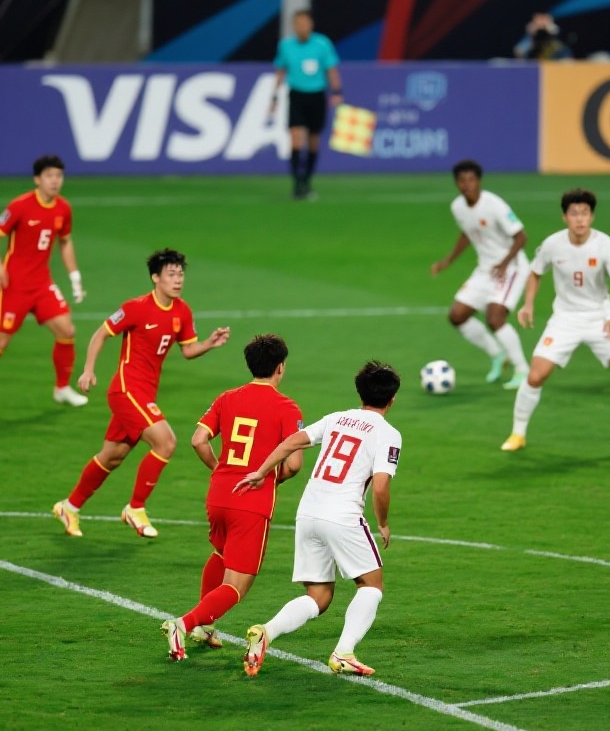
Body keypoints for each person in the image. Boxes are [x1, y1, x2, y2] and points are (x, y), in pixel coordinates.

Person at [235, 360, 402, 677]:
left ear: (360, 393)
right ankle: (344, 652)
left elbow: (291, 442)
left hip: (308, 513)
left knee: (318, 596)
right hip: (343, 516)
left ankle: (266, 632)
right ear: (392, 399)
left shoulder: (337, 418)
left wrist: (261, 471)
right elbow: (380, 486)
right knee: (371, 585)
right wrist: (382, 523)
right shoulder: (388, 434)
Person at [52, 249, 231, 538]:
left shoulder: (182, 311)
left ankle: (68, 507)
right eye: (171, 274)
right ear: (155, 278)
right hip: (126, 389)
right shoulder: (135, 308)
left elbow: (187, 350)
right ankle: (135, 508)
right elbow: (101, 334)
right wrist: (88, 370)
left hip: (145, 393)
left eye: (180, 274)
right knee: (166, 442)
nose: (178, 280)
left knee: (112, 456)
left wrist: (209, 343)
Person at [160, 334, 304, 660]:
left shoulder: (227, 398)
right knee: (237, 585)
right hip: (251, 502)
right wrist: (271, 478)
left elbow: (198, 440)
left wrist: (218, 468)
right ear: (280, 367)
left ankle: (204, 627)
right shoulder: (286, 407)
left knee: (220, 553)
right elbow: (294, 464)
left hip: (220, 493)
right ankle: (183, 624)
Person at [501, 188, 610, 454]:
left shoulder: (604, 244)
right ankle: (517, 434)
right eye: (574, 213)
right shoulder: (552, 244)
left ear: (592, 217)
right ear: (565, 217)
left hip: (600, 317)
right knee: (536, 375)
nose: (580, 219)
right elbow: (535, 273)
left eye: (584, 213)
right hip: (564, 319)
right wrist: (528, 304)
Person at [0, 155, 87, 414]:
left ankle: (62, 388)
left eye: (59, 176)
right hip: (14, 285)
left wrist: (74, 276)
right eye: (49, 176)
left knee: (67, 330)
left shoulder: (63, 208)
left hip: (42, 284)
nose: (55, 181)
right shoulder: (20, 206)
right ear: (37, 179)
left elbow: (65, 241)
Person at [432, 159, 531, 389]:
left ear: (479, 181)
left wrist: (504, 263)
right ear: (456, 183)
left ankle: (522, 370)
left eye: (471, 180)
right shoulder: (457, 207)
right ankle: (497, 354)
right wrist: (448, 260)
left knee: (495, 319)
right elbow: (467, 232)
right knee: (457, 316)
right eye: (462, 180)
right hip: (485, 269)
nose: (467, 184)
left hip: (512, 268)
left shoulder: (494, 205)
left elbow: (521, 237)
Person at [270, 9, 342, 199]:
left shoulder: (322, 44)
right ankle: (297, 183)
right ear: (294, 26)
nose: (301, 27)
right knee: (295, 137)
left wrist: (337, 92)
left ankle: (307, 180)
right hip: (296, 95)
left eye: (304, 23)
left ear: (311, 25)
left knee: (313, 140)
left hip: (317, 95)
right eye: (298, 23)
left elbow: (331, 69)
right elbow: (280, 71)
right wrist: (274, 97)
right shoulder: (286, 46)